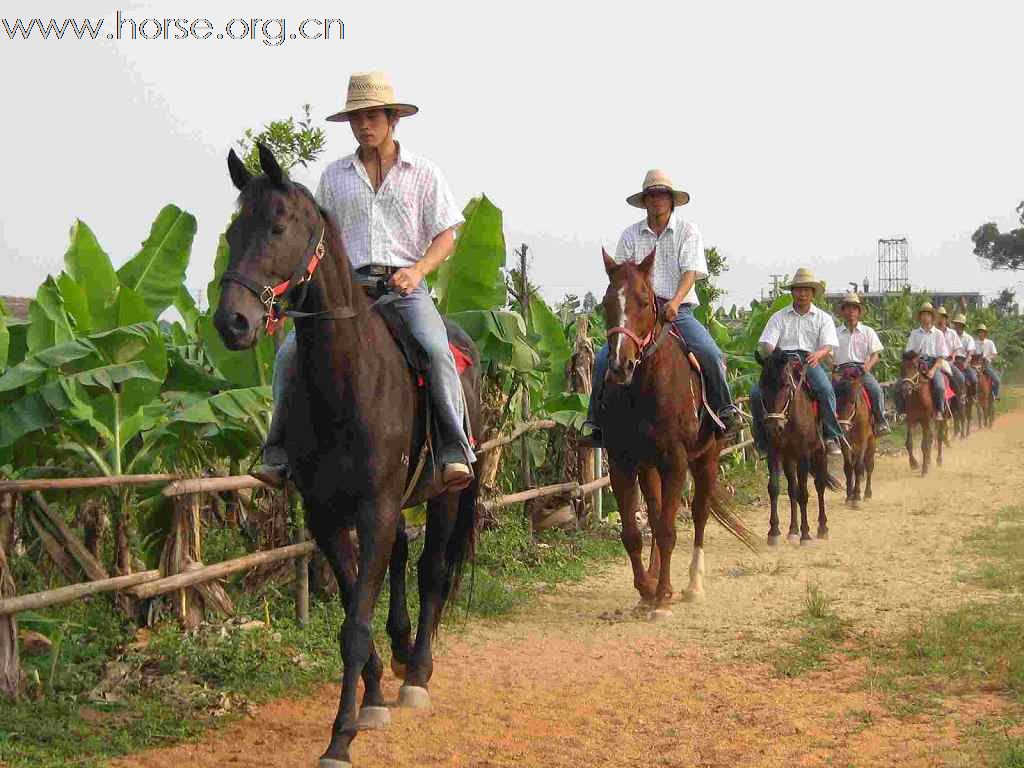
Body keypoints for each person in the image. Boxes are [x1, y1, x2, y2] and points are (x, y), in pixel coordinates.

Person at [255, 71, 475, 489]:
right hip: (348, 290)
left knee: (435, 348)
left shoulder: (424, 173)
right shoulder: (334, 177)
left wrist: (418, 271)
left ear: (392, 119)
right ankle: (277, 450)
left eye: (372, 116)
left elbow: (447, 235)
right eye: (356, 118)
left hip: (405, 287)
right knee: (287, 356)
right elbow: (317, 243)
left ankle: (453, 448)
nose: (364, 125)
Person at [580, 170, 741, 447]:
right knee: (605, 358)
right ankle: (596, 422)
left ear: (671, 200)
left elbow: (691, 272)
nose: (657, 201)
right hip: (640, 310)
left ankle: (724, 410)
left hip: (678, 310)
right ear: (645, 201)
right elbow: (621, 275)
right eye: (652, 195)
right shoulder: (631, 235)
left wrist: (676, 303)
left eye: (662, 195)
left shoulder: (688, 231)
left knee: (710, 353)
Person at [749, 267, 846, 456]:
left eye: (806, 290)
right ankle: (762, 441)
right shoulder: (779, 317)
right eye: (798, 290)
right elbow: (767, 343)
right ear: (792, 292)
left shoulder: (823, 318)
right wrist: (777, 356)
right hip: (782, 361)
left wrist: (818, 354)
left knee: (825, 390)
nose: (802, 294)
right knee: (755, 393)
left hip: (809, 360)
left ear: (813, 293)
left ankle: (830, 435)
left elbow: (829, 345)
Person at [832, 293, 890, 434]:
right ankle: (828, 429)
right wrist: (833, 370)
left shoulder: (867, 331)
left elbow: (876, 354)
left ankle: (880, 421)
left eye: (854, 308)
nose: (851, 311)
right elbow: (828, 354)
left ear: (858, 312)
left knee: (876, 390)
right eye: (847, 308)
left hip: (861, 370)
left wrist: (868, 366)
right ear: (843, 311)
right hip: (842, 371)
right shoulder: (835, 332)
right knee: (827, 394)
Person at [902, 303, 950, 420]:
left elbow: (941, 356)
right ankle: (903, 411)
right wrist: (914, 359)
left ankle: (939, 410)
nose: (925, 317)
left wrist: (933, 370)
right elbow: (909, 352)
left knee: (939, 386)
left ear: (932, 317)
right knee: (901, 384)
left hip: (933, 364)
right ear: (920, 317)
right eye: (923, 314)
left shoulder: (938, 334)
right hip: (916, 364)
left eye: (927, 314)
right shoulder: (914, 333)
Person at [935, 306, 966, 406]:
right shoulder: (933, 333)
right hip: (936, 361)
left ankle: (960, 396)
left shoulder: (952, 333)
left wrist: (952, 356)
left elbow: (957, 347)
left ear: (945, 319)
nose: (940, 319)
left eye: (942, 317)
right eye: (938, 317)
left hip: (948, 361)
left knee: (961, 378)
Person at [951, 313, 977, 392]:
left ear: (963, 326)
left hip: (963, 360)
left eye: (959, 324)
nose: (957, 326)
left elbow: (970, 353)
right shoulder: (951, 335)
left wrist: (965, 363)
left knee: (974, 379)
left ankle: (973, 397)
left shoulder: (969, 338)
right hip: (952, 360)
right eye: (956, 324)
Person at [975, 323, 1002, 399]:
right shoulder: (974, 342)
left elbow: (994, 354)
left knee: (997, 380)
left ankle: (994, 394)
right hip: (976, 365)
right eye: (979, 332)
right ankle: (971, 396)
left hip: (986, 365)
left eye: (982, 332)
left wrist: (987, 357)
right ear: (978, 333)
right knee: (970, 379)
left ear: (985, 333)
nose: (981, 333)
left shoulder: (990, 342)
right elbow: (972, 354)